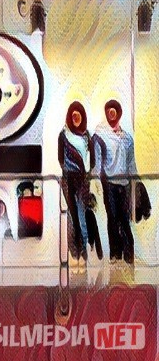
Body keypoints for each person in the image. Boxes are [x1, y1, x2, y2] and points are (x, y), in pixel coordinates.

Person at [92, 99, 137, 264]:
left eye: (114, 111)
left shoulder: (127, 138)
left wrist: (135, 182)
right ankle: (115, 254)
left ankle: (129, 255)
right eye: (108, 112)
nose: (111, 115)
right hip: (109, 183)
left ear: (119, 113)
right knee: (112, 218)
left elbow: (131, 163)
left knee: (125, 219)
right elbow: (97, 162)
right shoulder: (100, 135)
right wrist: (96, 182)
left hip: (124, 184)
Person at [58, 102, 94, 267]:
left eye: (78, 115)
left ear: (82, 116)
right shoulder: (63, 135)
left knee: (81, 217)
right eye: (73, 116)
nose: (76, 119)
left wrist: (86, 174)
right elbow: (60, 158)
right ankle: (74, 254)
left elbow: (92, 160)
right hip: (68, 180)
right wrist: (70, 169)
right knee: (72, 219)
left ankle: (83, 252)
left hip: (83, 181)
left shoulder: (87, 136)